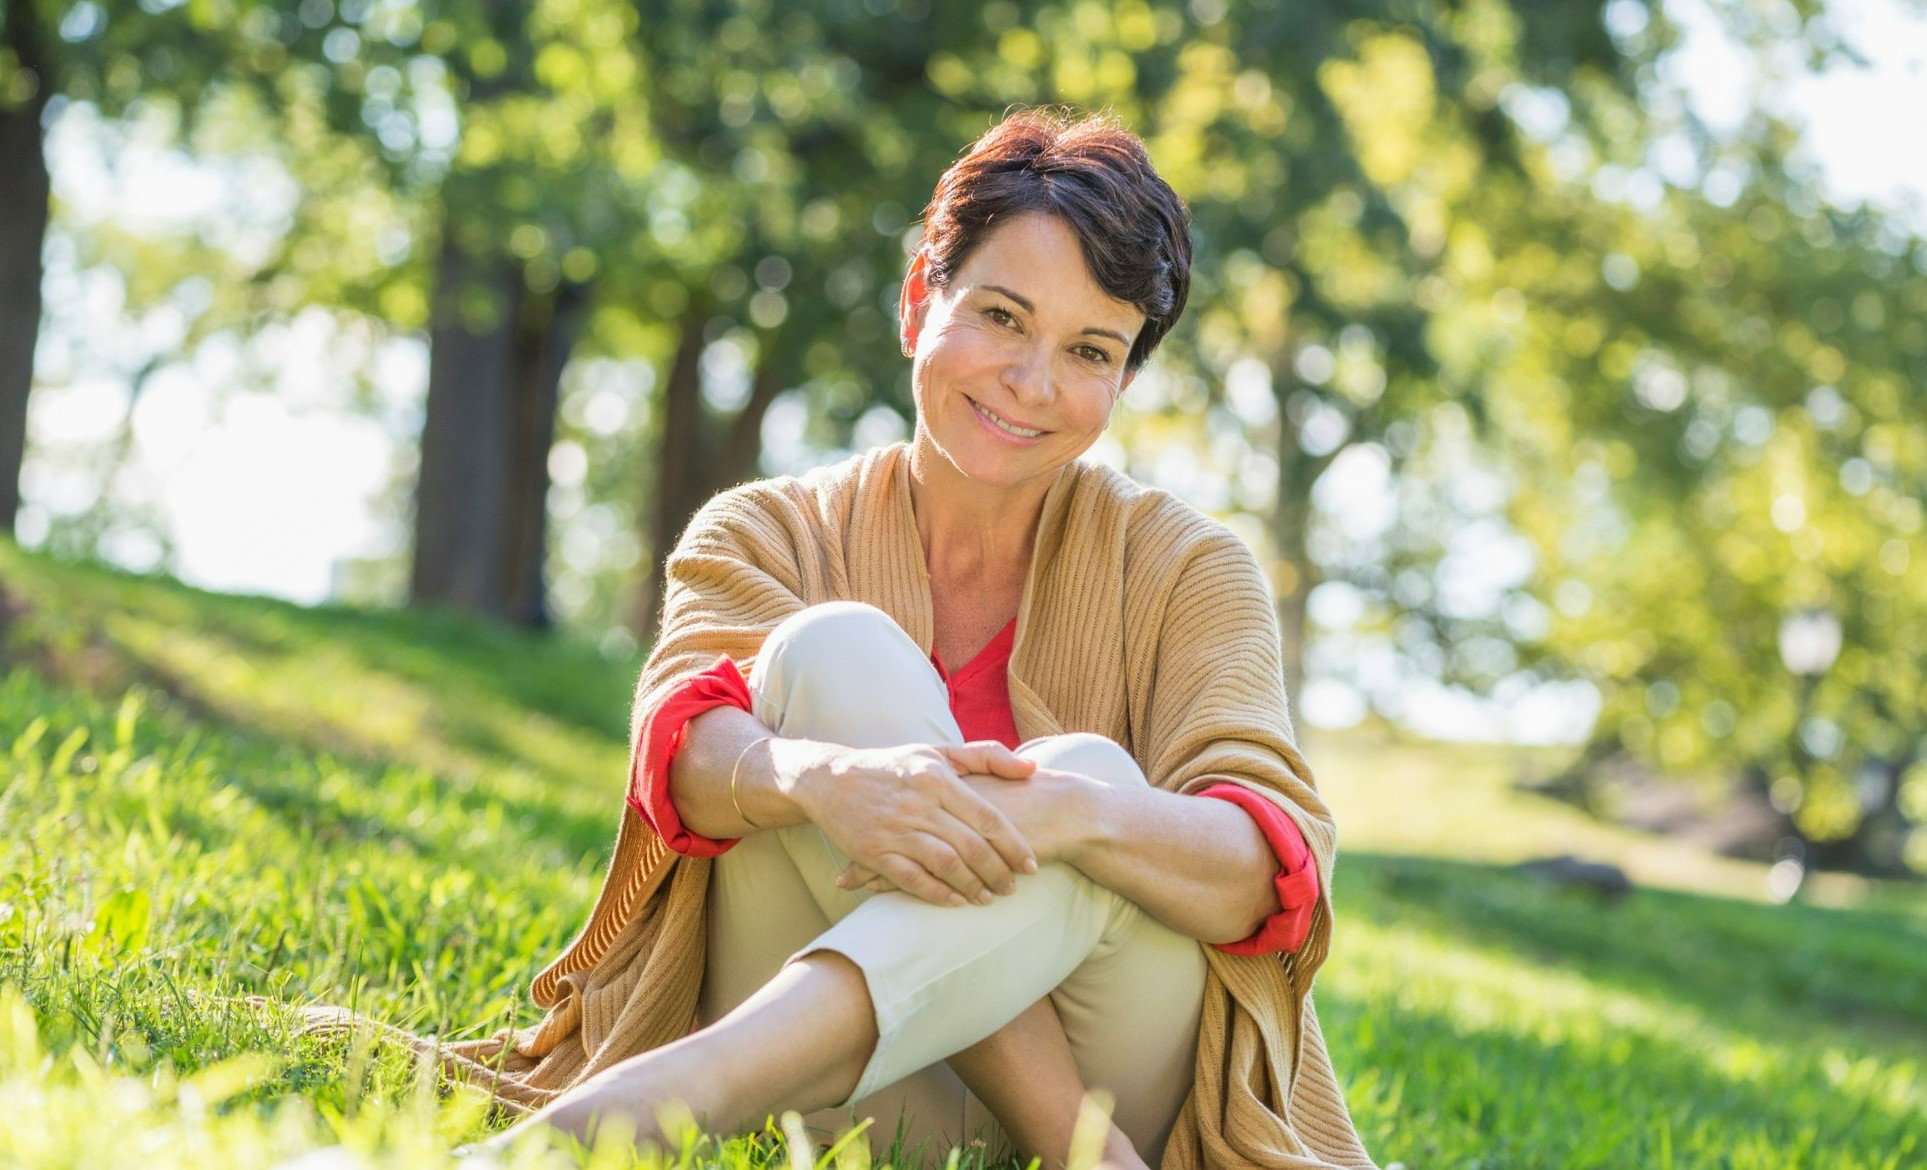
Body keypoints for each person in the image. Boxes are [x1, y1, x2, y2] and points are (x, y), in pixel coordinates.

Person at [433, 109, 1375, 1170]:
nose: (1030, 381)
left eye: (1089, 350)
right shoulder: (763, 529)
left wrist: (1068, 813)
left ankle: (644, 1107)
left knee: (1089, 777)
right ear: (917, 300)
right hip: (840, 1092)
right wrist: (818, 779)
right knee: (831, 651)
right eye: (1002, 316)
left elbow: (1267, 873)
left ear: (1121, 382)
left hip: (1117, 1070)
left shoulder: (1190, 570)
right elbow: (682, 766)